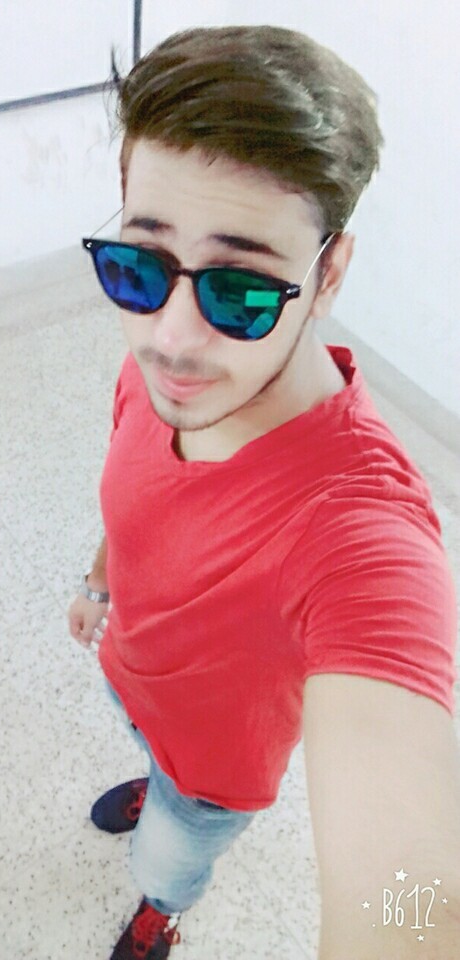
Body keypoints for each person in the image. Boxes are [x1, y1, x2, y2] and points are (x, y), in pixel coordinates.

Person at [68, 24, 460, 960]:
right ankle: (153, 776)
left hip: (213, 777)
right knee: (152, 760)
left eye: (240, 290)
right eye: (139, 265)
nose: (169, 340)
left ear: (329, 274)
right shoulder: (154, 373)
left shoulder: (361, 533)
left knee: (169, 855)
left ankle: (162, 910)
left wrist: (410, 914)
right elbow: (131, 496)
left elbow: (411, 898)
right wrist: (98, 584)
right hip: (132, 681)